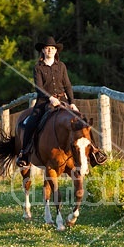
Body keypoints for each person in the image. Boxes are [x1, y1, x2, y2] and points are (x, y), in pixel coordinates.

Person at [16, 36, 79, 167]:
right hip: (44, 102)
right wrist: (50, 98)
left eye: (52, 48)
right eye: (47, 48)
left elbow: (67, 85)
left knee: (81, 120)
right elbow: (39, 87)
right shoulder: (38, 67)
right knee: (30, 123)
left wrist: (72, 102)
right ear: (43, 51)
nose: (50, 50)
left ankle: (94, 152)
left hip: (62, 100)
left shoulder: (61, 66)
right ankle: (25, 154)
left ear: (56, 51)